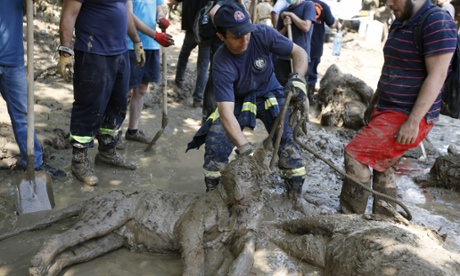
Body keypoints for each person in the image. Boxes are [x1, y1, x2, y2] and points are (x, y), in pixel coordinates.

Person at [339, 0, 457, 215]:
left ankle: (349, 218)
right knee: (383, 165)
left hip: (407, 114)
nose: (389, 4)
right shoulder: (401, 20)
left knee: (355, 156)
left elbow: (438, 75)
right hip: (387, 108)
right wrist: (374, 102)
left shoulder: (437, 21)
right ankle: (384, 219)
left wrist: (413, 121)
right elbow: (391, 66)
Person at [186, 2, 308, 193]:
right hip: (238, 99)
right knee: (215, 144)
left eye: (246, 32)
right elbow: (226, 112)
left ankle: (294, 195)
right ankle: (214, 195)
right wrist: (245, 149)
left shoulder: (262, 33)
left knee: (286, 140)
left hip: (269, 92)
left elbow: (299, 52)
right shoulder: (221, 62)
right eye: (236, 36)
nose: (245, 39)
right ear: (221, 36)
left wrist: (299, 78)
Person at [58, 0, 145, 186]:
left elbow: (125, 12)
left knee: (118, 105)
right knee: (89, 105)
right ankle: (79, 160)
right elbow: (69, 14)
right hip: (93, 53)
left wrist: (137, 41)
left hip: (120, 53)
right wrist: (65, 51)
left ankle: (107, 151)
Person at [0, 0, 66, 179]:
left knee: (23, 115)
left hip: (13, 62)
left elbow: (25, 11)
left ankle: (34, 164)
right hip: (11, 61)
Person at [122, 0, 175, 146]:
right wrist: (155, 35)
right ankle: (113, 132)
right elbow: (129, 15)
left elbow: (158, 7)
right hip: (131, 43)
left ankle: (133, 130)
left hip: (151, 44)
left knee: (141, 89)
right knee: (123, 89)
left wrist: (161, 18)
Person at [174, 0, 211, 108]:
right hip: (205, 33)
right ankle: (198, 98)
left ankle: (178, 81)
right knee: (203, 66)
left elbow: (172, 2)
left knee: (184, 55)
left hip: (191, 30)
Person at [275, 0, 315, 86]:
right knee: (282, 89)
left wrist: (292, 15)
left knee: (299, 88)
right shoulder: (283, 11)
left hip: (301, 58)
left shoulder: (308, 5)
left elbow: (306, 27)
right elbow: (277, 36)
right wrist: (285, 27)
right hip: (284, 57)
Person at [308, 0, 341, 105]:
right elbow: (332, 24)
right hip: (315, 46)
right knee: (312, 72)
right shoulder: (324, 6)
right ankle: (309, 96)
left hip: (301, 44)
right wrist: (338, 24)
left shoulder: (302, 3)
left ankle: (299, 95)